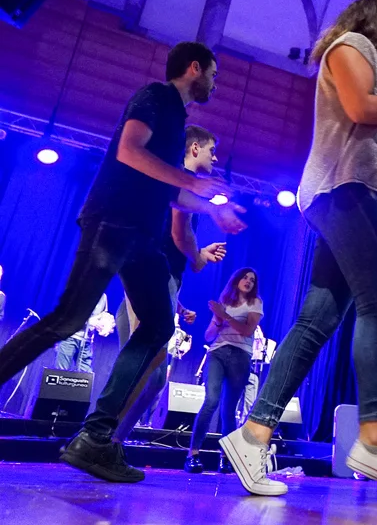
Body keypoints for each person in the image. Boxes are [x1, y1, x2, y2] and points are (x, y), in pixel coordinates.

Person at [221, 0, 377, 497]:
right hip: (344, 190)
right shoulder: (350, 45)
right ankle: (375, 439)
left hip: (358, 193)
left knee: (316, 322)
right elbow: (359, 109)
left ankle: (252, 436)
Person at [0, 41, 245, 483]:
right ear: (194, 68)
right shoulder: (155, 97)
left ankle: (95, 437)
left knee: (159, 326)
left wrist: (212, 211)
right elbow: (130, 151)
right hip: (113, 222)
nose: (215, 83)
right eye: (214, 74)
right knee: (67, 319)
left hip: (141, 238)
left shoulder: (176, 120)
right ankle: (94, 437)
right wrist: (192, 183)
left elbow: (168, 189)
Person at [113, 124, 226, 443]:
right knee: (149, 377)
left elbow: (171, 240)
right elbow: (179, 233)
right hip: (150, 281)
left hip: (154, 283)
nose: (215, 158)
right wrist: (198, 258)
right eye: (211, 150)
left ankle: (108, 441)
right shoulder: (181, 180)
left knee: (143, 375)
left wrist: (177, 302)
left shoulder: (176, 179)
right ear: (194, 148)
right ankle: (105, 440)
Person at [186, 268, 264, 473]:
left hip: (241, 356)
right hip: (218, 353)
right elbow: (208, 336)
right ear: (236, 280)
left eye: (252, 280)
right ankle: (193, 454)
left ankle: (226, 458)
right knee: (211, 401)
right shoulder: (225, 303)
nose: (248, 281)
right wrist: (219, 319)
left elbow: (247, 330)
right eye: (244, 277)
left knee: (229, 410)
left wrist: (225, 316)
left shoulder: (255, 303)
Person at [54, 294, 113, 373]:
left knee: (86, 375)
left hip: (86, 341)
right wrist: (89, 321)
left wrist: (106, 325)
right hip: (69, 337)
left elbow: (103, 315)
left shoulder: (103, 296)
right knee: (61, 373)